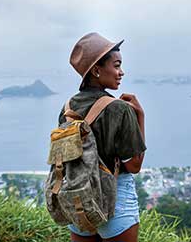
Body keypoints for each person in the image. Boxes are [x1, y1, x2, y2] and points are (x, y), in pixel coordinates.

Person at [58, 32, 146, 242]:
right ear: (97, 70)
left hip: (79, 197)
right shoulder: (120, 109)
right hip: (115, 198)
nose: (121, 72)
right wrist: (140, 116)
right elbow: (134, 166)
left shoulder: (67, 108)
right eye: (116, 65)